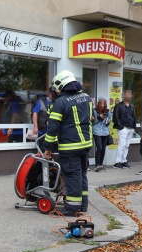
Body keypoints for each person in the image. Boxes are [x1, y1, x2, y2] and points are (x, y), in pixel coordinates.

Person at [43, 70, 93, 215]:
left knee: (72, 176)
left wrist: (48, 147)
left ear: (60, 85)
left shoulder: (60, 102)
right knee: (82, 174)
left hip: (70, 146)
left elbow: (52, 128)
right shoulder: (86, 98)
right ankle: (83, 205)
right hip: (86, 144)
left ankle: (72, 208)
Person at [112, 89, 136, 169]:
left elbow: (133, 117)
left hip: (130, 128)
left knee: (127, 145)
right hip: (123, 128)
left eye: (130, 94)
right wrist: (120, 126)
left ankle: (123, 161)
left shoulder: (132, 106)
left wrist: (134, 126)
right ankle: (117, 162)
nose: (129, 95)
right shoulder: (119, 106)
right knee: (122, 144)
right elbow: (115, 116)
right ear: (124, 95)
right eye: (127, 94)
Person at [92, 98, 111, 172]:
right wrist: (99, 117)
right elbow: (93, 122)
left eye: (104, 104)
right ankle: (97, 165)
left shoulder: (108, 111)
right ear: (99, 104)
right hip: (97, 132)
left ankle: (101, 164)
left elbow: (109, 121)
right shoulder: (94, 111)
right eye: (101, 104)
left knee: (103, 149)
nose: (102, 106)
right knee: (99, 148)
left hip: (105, 132)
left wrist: (108, 121)